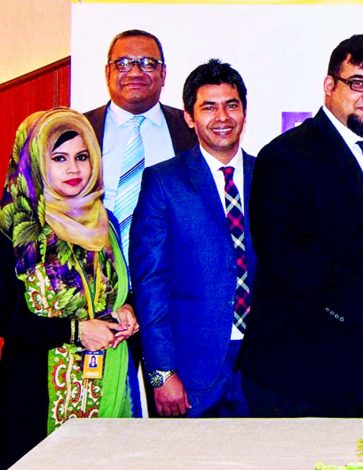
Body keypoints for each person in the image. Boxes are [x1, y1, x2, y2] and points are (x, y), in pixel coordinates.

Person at [239, 33, 363, 417]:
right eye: (358, 83)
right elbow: (287, 253)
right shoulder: (285, 157)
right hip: (305, 373)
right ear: (329, 86)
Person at [0, 109, 139, 467]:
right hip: (36, 399)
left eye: (81, 157)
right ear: (34, 163)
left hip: (107, 383)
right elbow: (8, 321)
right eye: (58, 159)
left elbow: (117, 289)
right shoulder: (13, 231)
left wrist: (125, 308)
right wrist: (75, 331)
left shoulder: (103, 223)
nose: (74, 169)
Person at [131, 59, 254, 418]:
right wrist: (161, 373)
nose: (222, 117)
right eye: (209, 107)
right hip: (189, 371)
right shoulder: (163, 182)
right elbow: (151, 282)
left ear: (244, 112)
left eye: (231, 105)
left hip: (263, 368)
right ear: (189, 116)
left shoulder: (271, 176)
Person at [84, 29, 196, 262]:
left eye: (147, 63)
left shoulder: (191, 130)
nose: (135, 72)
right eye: (123, 63)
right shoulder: (79, 129)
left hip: (173, 281)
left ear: (163, 73)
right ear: (107, 72)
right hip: (94, 281)